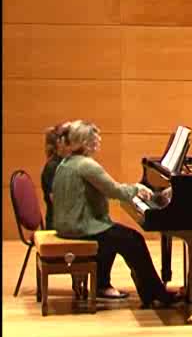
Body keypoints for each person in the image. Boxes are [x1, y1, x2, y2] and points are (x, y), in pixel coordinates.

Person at [52, 120, 182, 307]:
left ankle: (102, 285)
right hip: (81, 227)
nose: (98, 142)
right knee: (133, 239)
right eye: (95, 139)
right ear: (85, 142)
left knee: (113, 234)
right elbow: (113, 190)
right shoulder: (86, 165)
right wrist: (136, 190)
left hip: (65, 225)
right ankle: (155, 293)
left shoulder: (65, 163)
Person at [40, 122, 71, 230]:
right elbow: (57, 201)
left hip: (68, 221)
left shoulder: (66, 163)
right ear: (60, 142)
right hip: (58, 225)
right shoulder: (53, 167)